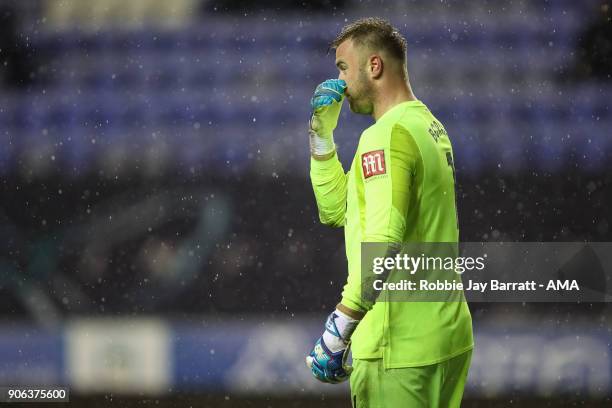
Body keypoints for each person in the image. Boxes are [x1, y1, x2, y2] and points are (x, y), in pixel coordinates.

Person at [305, 18, 473, 407]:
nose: (341, 85)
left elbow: (382, 243)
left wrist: (340, 327)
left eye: (343, 68)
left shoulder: (384, 136)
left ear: (374, 66)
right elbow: (337, 211)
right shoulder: (429, 125)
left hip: (396, 347)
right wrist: (321, 138)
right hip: (445, 337)